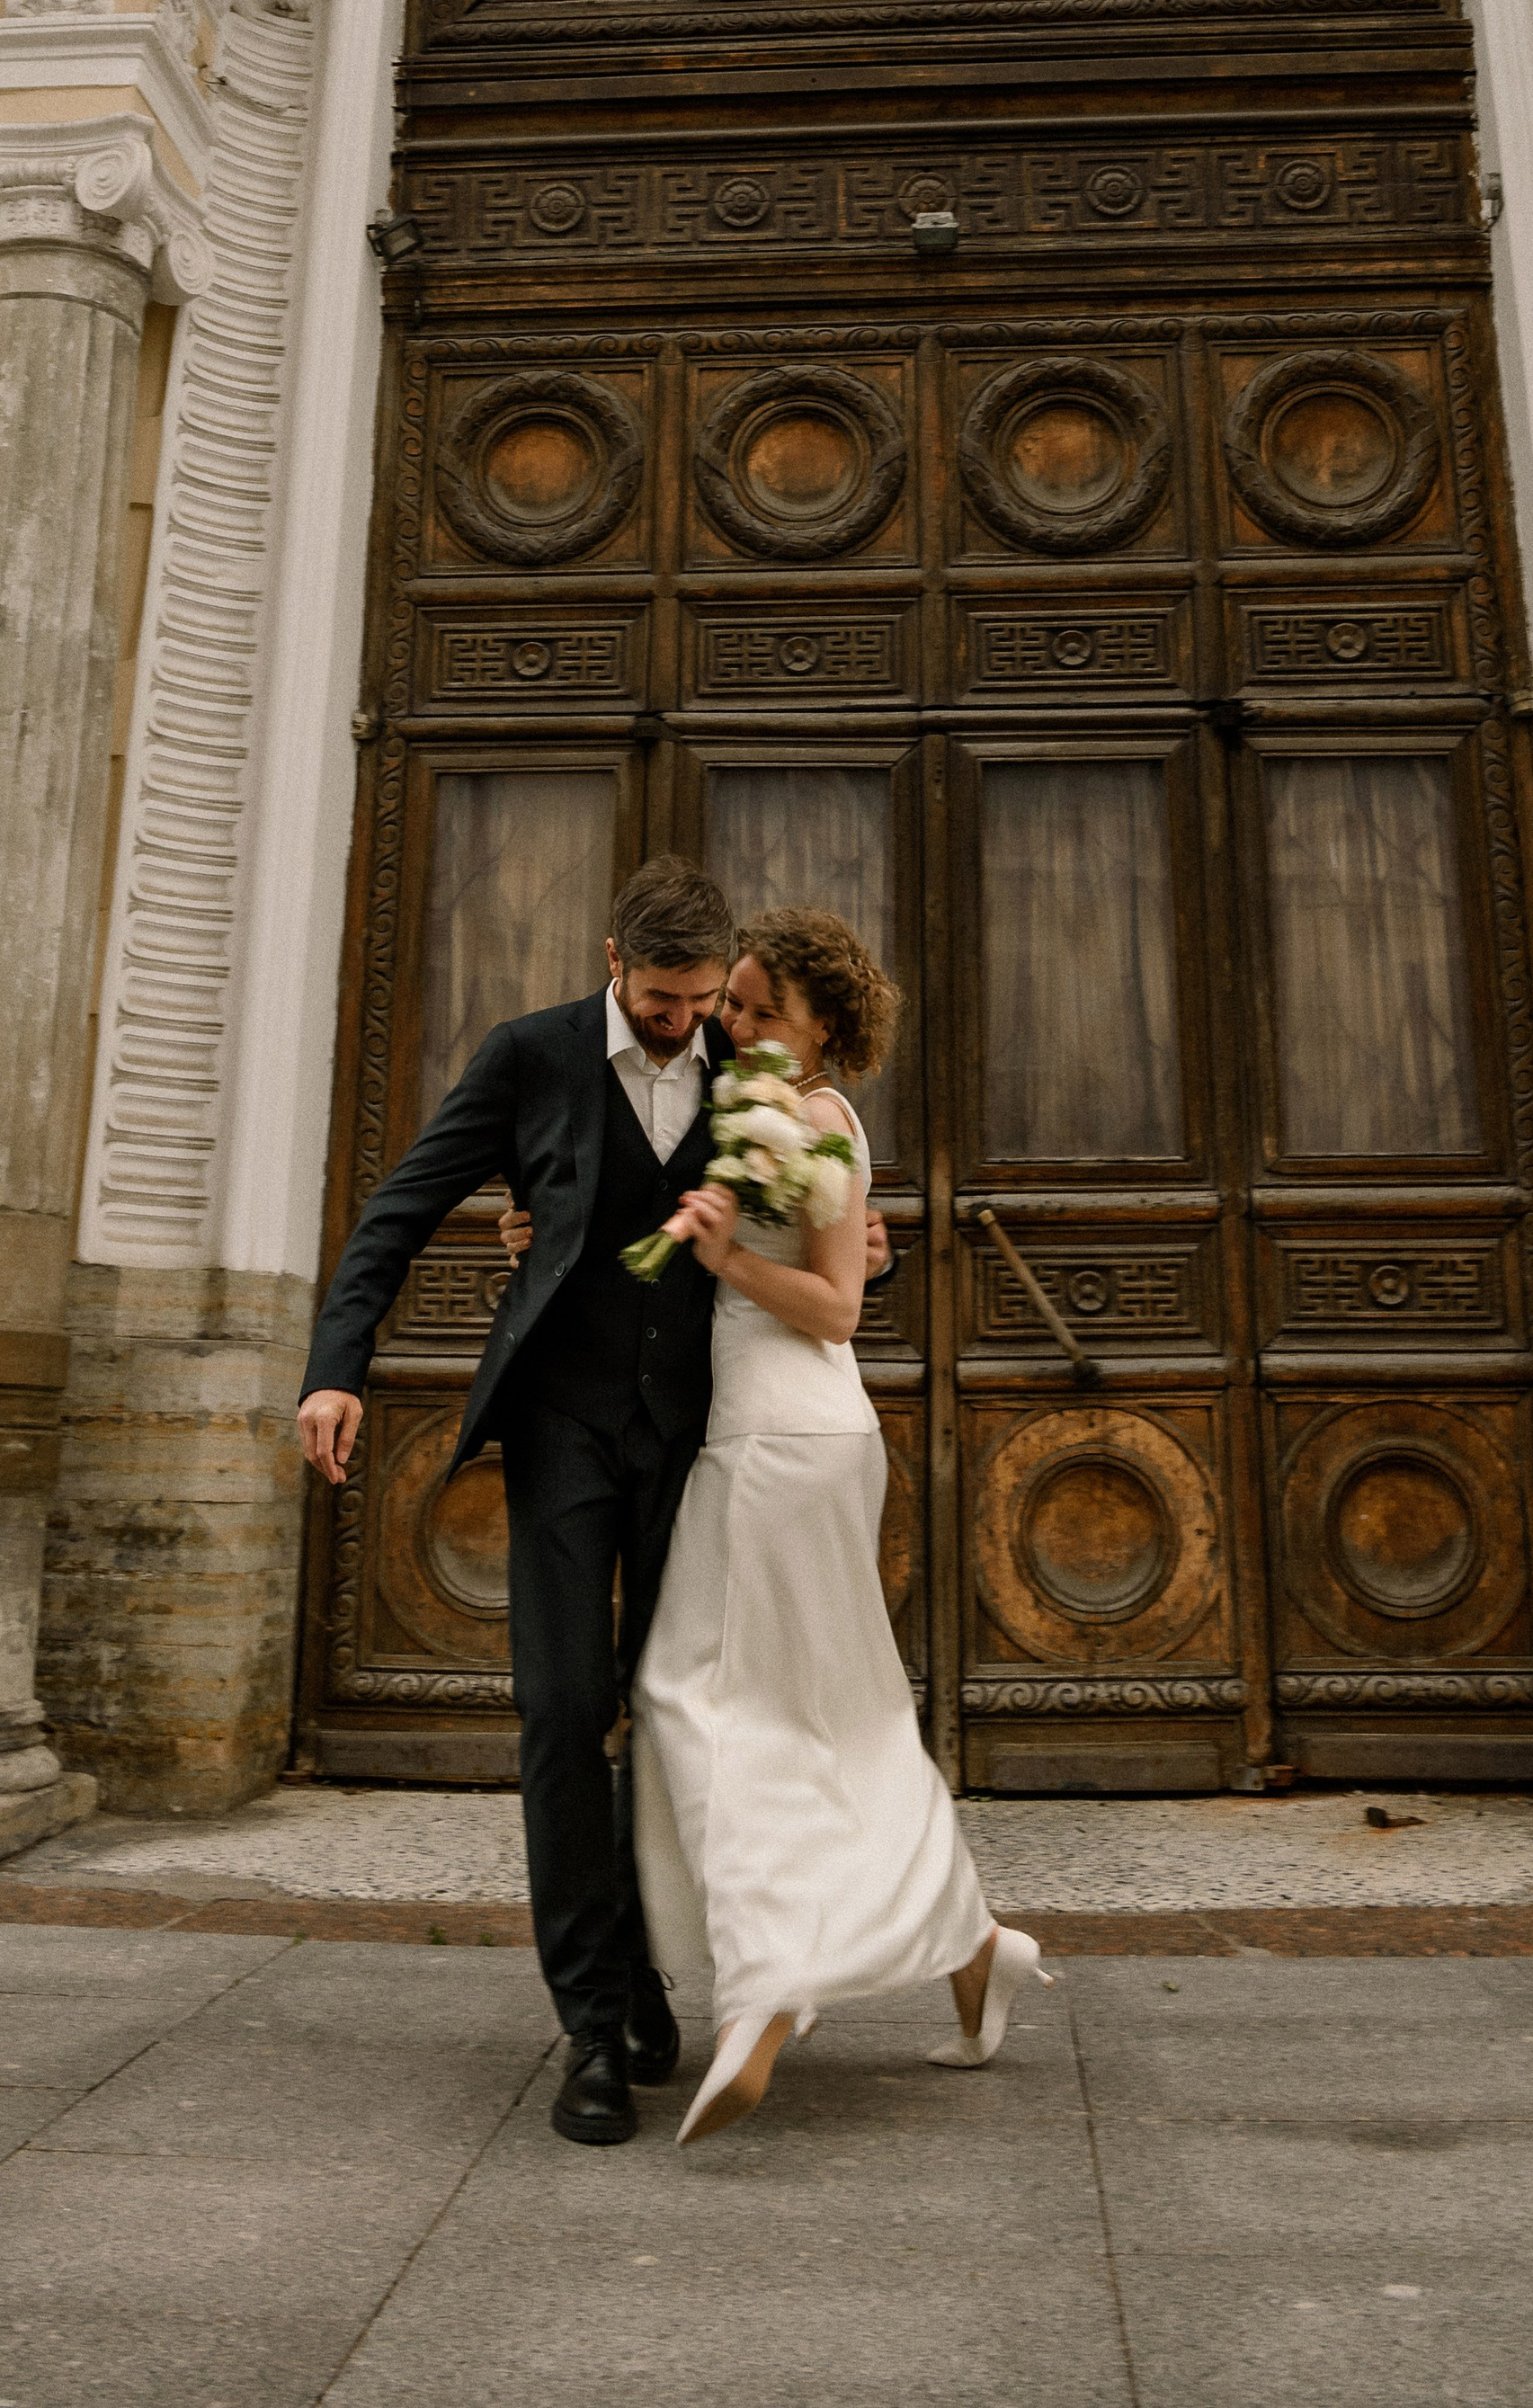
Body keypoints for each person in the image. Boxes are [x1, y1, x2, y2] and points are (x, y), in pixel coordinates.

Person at [498, 906, 1048, 2149]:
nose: (733, 1025)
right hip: (774, 1438)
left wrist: (721, 1255)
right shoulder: (767, 1105)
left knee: (700, 1699)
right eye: (733, 1002)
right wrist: (542, 1231)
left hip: (778, 1444)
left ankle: (767, 1982)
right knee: (835, 1714)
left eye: (757, 1009)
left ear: (820, 1027)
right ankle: (971, 1943)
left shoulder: (802, 1116)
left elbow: (838, 1303)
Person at [296, 855, 739, 2149]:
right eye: (661, 997)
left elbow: (783, 1240)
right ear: (615, 962)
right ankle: (593, 2025)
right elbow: (399, 1206)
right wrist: (336, 1372)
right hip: (563, 1428)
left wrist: (861, 1263)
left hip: (700, 1437)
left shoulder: (747, 1070)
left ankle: (651, 1966)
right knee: (561, 1710)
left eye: (699, 998)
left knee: (668, 1717)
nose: (679, 1020)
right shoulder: (531, 1055)